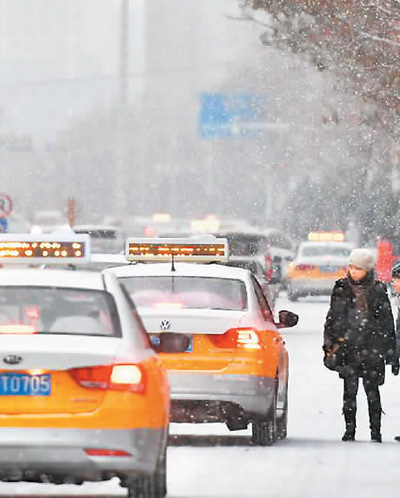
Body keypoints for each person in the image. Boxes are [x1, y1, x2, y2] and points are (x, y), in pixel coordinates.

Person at [323, 248, 399, 443]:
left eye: (358, 268)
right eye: (351, 267)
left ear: (367, 269)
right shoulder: (341, 287)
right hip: (347, 348)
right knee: (349, 391)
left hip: (372, 348)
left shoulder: (378, 289)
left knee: (372, 391)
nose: (354, 271)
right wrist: (329, 343)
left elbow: (386, 321)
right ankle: (350, 429)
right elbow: (332, 318)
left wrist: (391, 352)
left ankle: (376, 431)